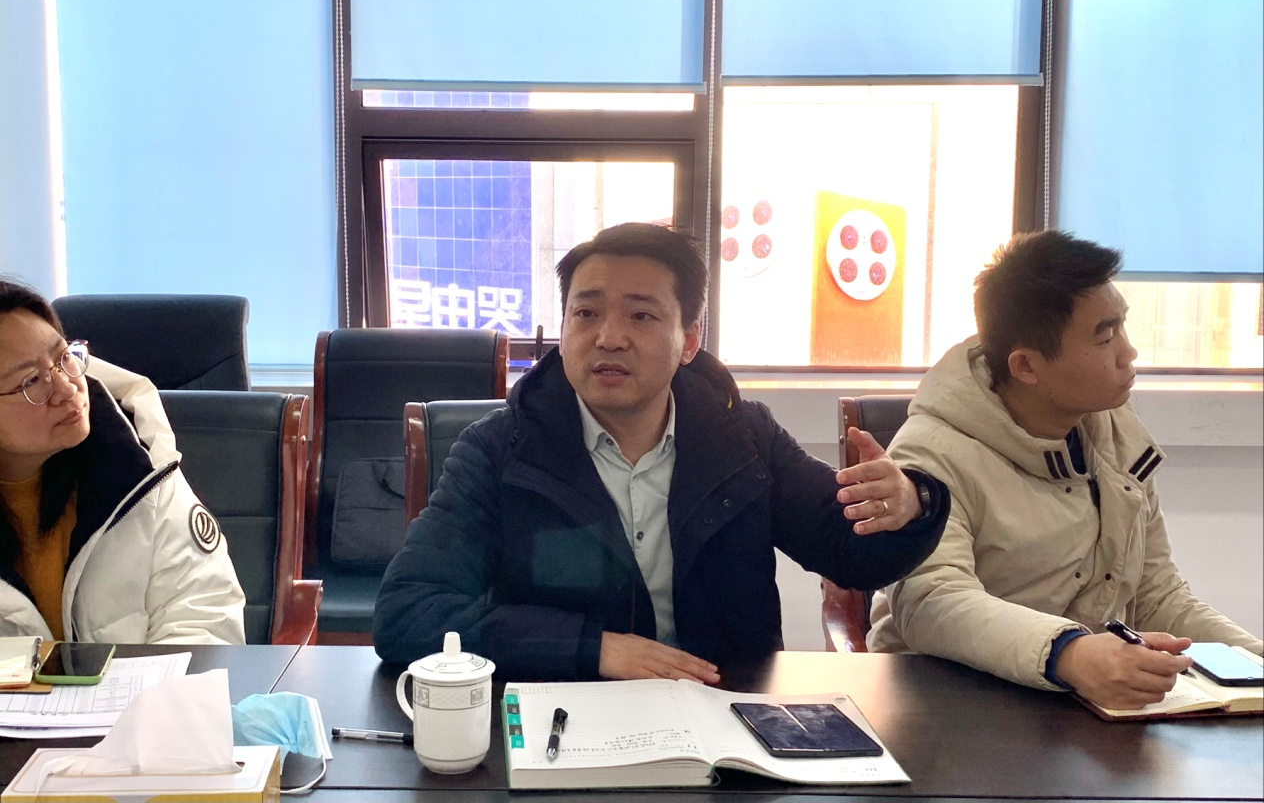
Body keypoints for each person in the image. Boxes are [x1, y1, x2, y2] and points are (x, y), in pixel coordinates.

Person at [375, 222, 949, 681]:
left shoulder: (743, 438)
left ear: (689, 339)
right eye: (586, 313)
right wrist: (593, 648)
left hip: (727, 711)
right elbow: (408, 612)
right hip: (567, 717)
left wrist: (911, 504)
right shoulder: (500, 451)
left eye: (642, 315)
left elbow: (851, 555)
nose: (608, 337)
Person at [867, 231, 1262, 710]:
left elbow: (1156, 596)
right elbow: (933, 602)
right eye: (1105, 336)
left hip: (1078, 705)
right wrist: (1069, 653)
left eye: (1122, 327)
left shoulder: (1115, 431)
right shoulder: (930, 454)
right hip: (947, 708)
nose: (1128, 353)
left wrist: (1255, 659)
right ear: (1026, 366)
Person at [0, 280, 245, 644]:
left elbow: (205, 617)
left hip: (148, 684)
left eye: (64, 357)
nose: (67, 389)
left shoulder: (139, 468)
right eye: (32, 380)